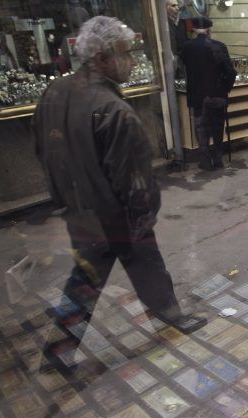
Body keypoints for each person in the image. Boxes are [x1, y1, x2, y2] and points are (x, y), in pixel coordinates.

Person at [33, 16, 207, 355]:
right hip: (115, 215)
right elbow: (132, 179)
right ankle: (166, 318)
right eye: (125, 54)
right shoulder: (113, 111)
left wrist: (66, 200)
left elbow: (43, 151)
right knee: (129, 268)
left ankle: (61, 348)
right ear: (101, 59)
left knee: (91, 277)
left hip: (79, 209)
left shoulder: (57, 91)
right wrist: (142, 220)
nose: (132, 62)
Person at [181, 16, 236, 169]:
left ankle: (205, 161)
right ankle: (218, 160)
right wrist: (225, 88)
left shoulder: (187, 47)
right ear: (209, 31)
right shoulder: (219, 46)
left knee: (201, 130)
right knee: (218, 128)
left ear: (193, 30)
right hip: (217, 95)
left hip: (198, 96)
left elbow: (185, 67)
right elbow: (230, 72)